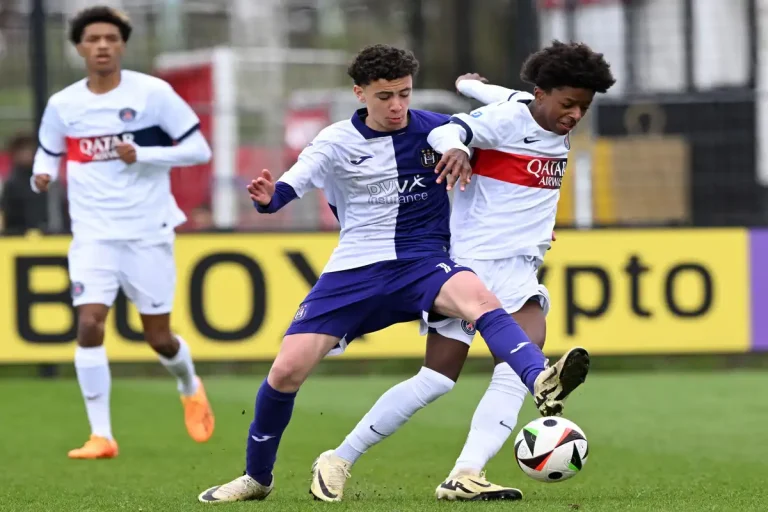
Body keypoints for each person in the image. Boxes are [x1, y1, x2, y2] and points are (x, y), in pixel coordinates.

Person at [198, 43, 589, 504]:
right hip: (356, 269)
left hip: (425, 262)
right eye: (385, 96)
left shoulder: (435, 129)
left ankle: (537, 377)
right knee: (286, 372)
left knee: (478, 300)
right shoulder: (335, 140)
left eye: (404, 93)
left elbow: (493, 145)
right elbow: (292, 184)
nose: (397, 106)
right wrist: (269, 197)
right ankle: (256, 478)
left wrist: (525, 220)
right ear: (360, 93)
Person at [308, 41, 616, 503]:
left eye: (584, 107)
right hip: (472, 266)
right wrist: (456, 148)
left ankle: (453, 471)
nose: (575, 115)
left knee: (475, 374)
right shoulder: (509, 121)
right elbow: (447, 131)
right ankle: (347, 458)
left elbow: (502, 95)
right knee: (466, 372)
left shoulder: (527, 107)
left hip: (515, 265)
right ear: (544, 92)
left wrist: (472, 85)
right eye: (569, 104)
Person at [32, 6, 215, 459]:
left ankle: (189, 385)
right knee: (90, 322)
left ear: (122, 45)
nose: (101, 46)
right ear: (79, 47)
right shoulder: (63, 105)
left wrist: (147, 153)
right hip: (92, 234)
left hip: (147, 232)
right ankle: (102, 436)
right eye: (92, 39)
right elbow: (46, 152)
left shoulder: (153, 94)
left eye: (110, 38)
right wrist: (43, 175)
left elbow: (199, 148)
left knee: (159, 338)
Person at [1, 133, 49, 234]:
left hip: (47, 234)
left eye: (29, 150)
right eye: (22, 150)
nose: (26, 154)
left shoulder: (45, 179)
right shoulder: (11, 184)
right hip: (17, 235)